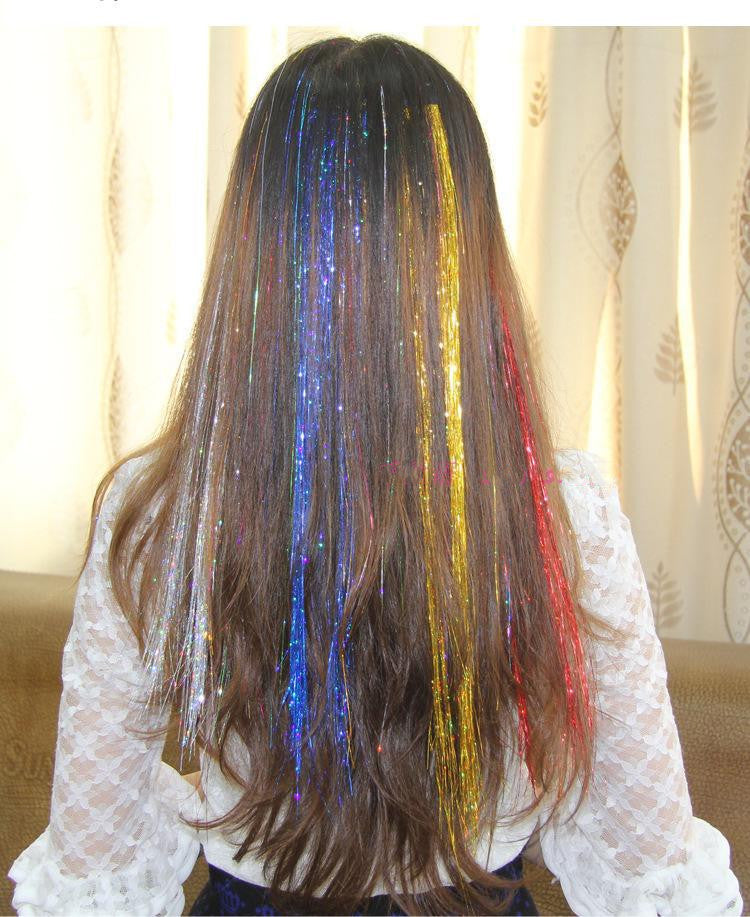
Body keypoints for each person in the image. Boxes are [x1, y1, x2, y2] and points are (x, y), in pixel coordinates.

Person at [8, 34, 743, 917]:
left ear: (256, 248)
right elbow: (652, 866)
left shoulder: (163, 515)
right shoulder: (558, 513)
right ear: (466, 254)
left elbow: (95, 868)